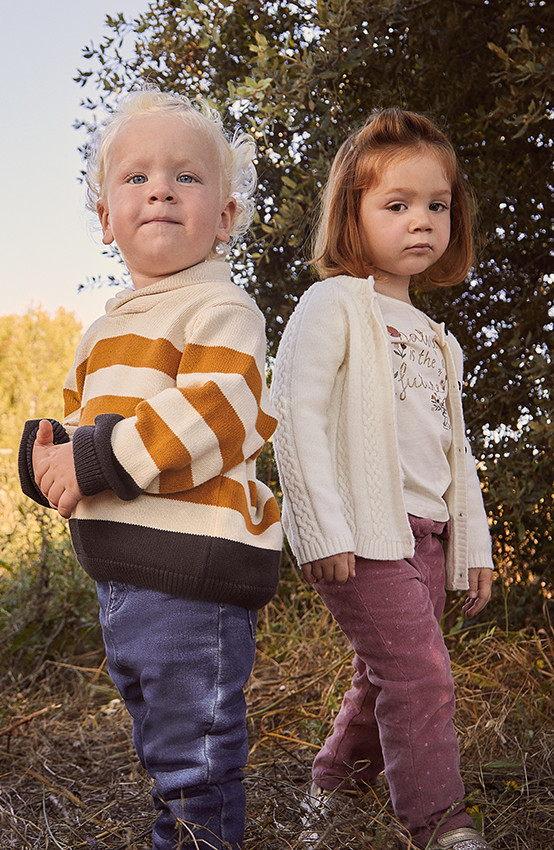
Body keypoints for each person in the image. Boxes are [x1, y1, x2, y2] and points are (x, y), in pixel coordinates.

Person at [18, 87, 283, 850]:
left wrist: (94, 457)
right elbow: (78, 422)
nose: (160, 187)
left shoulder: (220, 309)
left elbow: (217, 413)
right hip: (124, 586)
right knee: (161, 745)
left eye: (186, 177)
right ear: (107, 220)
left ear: (225, 217)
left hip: (190, 581)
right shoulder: (103, 330)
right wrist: (48, 457)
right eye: (135, 178)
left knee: (195, 760)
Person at [269, 107, 496, 850]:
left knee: (387, 676)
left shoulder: (439, 339)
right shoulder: (333, 304)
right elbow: (293, 415)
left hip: (428, 539)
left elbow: (455, 455)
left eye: (436, 205)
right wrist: (320, 529)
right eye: (396, 206)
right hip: (362, 538)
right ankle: (440, 825)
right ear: (352, 214)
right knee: (422, 676)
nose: (420, 221)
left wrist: (475, 547)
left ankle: (330, 796)